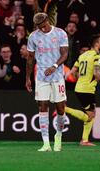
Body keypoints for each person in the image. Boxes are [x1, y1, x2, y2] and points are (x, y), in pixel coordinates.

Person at [25, 12, 68, 152]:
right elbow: (30, 58)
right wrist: (27, 78)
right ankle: (45, 143)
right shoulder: (33, 36)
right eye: (38, 27)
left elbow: (65, 54)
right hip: (41, 77)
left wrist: (54, 66)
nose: (41, 29)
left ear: (47, 21)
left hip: (57, 76)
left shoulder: (60, 33)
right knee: (42, 106)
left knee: (61, 108)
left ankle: (58, 136)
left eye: (43, 26)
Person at [65, 35, 100, 146]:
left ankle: (84, 140)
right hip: (87, 89)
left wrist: (71, 77)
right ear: (96, 44)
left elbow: (72, 71)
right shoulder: (98, 57)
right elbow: (96, 72)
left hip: (79, 88)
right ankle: (63, 109)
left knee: (91, 113)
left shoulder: (83, 55)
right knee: (90, 116)